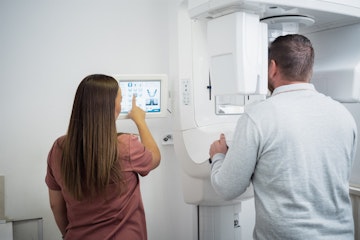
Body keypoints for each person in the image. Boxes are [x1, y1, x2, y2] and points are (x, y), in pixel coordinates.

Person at [209, 34, 357, 239]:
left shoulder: (258, 116)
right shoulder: (343, 115)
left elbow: (227, 188)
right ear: (309, 70)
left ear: (272, 67)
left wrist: (218, 156)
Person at [45, 74, 161, 240]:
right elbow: (154, 158)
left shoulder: (58, 148)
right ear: (112, 106)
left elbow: (55, 204)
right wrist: (140, 121)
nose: (121, 105)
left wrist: (68, 234)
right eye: (120, 101)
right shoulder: (126, 145)